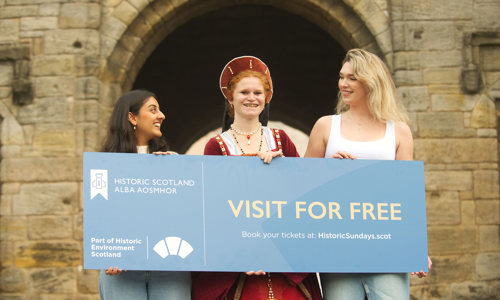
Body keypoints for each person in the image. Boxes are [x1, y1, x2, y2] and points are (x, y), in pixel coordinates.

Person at [304, 48, 431, 299]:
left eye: (352, 78)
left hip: (388, 244)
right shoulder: (326, 126)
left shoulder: (399, 131)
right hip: (338, 246)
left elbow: (406, 196)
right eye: (342, 76)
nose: (343, 83)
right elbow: (303, 186)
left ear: (371, 82)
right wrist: (329, 173)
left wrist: (416, 246)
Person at [192, 56, 322, 300]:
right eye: (244, 92)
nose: (251, 98)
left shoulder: (281, 140)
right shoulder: (217, 146)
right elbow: (212, 206)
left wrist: (283, 170)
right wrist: (241, 255)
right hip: (238, 259)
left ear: (266, 98)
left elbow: (302, 196)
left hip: (281, 255)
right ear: (230, 98)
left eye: (257, 92)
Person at [98, 89, 191, 299]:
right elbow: (100, 215)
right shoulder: (104, 166)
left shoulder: (172, 160)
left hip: (170, 267)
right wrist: (107, 252)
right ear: (132, 117)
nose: (162, 115)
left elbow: (187, 212)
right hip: (121, 269)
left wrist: (177, 172)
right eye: (153, 110)